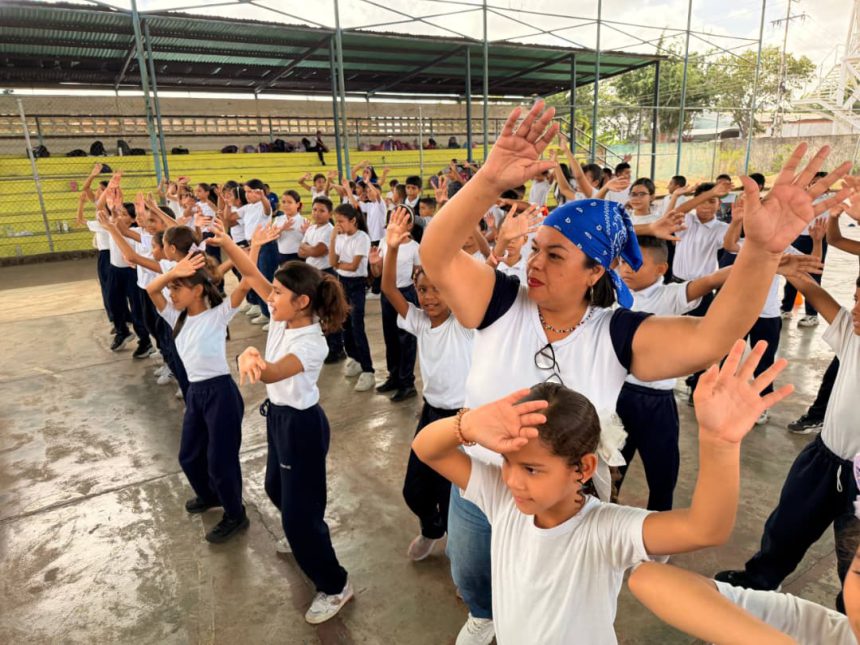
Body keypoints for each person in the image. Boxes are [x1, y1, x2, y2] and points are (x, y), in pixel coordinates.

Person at [418, 99, 851, 645]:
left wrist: (761, 252)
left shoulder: (616, 332)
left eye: (555, 256)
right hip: (484, 478)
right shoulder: (502, 303)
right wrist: (486, 179)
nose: (533, 263)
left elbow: (711, 338)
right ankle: (486, 617)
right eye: (535, 248)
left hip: (560, 490)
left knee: (554, 588)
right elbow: (437, 254)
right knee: (475, 572)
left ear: (595, 270)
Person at [413, 340, 793, 644]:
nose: (512, 478)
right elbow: (426, 449)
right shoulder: (503, 498)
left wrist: (721, 445)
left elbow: (705, 529)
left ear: (582, 469)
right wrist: (468, 423)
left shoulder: (605, 530)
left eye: (532, 469)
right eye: (507, 461)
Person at [214, 223, 354, 624]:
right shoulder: (282, 317)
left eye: (278, 293)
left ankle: (335, 584)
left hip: (302, 427)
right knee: (276, 487)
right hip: (279, 419)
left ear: (302, 301)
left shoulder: (311, 342)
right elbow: (252, 275)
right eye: (273, 291)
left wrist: (251, 355)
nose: (270, 296)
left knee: (298, 517)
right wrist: (230, 243)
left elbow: (274, 373)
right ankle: (304, 530)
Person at [715, 267, 860, 613]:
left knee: (853, 561)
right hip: (824, 458)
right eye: (856, 300)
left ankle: (849, 618)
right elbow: (820, 298)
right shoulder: (853, 335)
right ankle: (761, 579)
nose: (855, 311)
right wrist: (783, 262)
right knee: (787, 525)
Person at [144, 235, 263, 543]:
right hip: (196, 394)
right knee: (189, 456)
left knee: (221, 461)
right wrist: (172, 272)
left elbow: (248, 279)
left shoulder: (218, 314)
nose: (170, 292)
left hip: (221, 394)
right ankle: (211, 496)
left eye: (177, 287)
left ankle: (236, 514)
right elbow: (150, 288)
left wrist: (256, 248)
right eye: (171, 287)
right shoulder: (175, 316)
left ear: (197, 290)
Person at [377, 207, 475, 559]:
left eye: (436, 289)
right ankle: (433, 530)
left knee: (457, 494)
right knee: (415, 490)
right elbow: (388, 287)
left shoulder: (464, 323)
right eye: (422, 289)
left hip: (464, 419)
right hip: (431, 414)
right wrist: (391, 247)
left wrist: (434, 241)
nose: (429, 297)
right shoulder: (420, 322)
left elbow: (466, 281)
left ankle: (462, 551)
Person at [368, 209, 421, 402]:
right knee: (390, 336)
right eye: (393, 219)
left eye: (402, 220)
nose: (396, 223)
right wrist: (374, 264)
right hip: (387, 293)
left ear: (410, 225)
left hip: (406, 294)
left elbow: (417, 274)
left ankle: (407, 383)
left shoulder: (415, 247)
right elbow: (378, 272)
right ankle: (394, 376)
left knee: (406, 339)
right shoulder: (384, 242)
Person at [329, 204, 375, 392]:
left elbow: (354, 266)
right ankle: (354, 358)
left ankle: (368, 369)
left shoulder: (362, 238)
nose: (337, 225)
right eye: (336, 221)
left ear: (353, 220)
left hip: (356, 285)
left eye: (340, 221)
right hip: (342, 284)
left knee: (357, 326)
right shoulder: (339, 237)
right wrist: (333, 238)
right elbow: (333, 262)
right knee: (344, 324)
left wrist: (340, 264)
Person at [781, 170, 831, 327]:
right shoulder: (801, 199)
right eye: (814, 182)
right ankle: (786, 308)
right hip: (798, 238)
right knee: (792, 273)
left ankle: (812, 314)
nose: (816, 185)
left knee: (813, 275)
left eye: (822, 183)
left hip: (818, 239)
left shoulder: (829, 201)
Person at [274, 190, 306, 266]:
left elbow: (310, 243)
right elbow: (272, 238)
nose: (286, 205)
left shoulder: (304, 221)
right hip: (282, 256)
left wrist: (306, 232)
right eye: (283, 202)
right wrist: (282, 228)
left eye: (289, 202)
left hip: (299, 257)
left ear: (297, 204)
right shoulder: (278, 220)